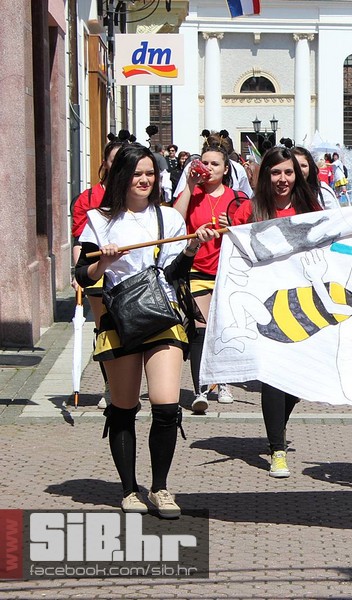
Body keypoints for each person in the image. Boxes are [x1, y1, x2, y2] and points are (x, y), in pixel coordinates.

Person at [74, 144, 218, 518]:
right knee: (123, 407)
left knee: (166, 405)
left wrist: (189, 249)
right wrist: (102, 263)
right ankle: (128, 490)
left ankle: (160, 488)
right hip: (118, 320)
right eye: (137, 173)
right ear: (122, 176)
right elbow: (81, 274)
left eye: (150, 173)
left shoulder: (168, 218)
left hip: (161, 316)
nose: (144, 180)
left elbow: (174, 276)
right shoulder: (98, 219)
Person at [230, 147, 323, 478]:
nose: (282, 179)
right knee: (274, 376)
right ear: (264, 176)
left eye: (288, 172)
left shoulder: (310, 209)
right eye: (275, 173)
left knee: (297, 383)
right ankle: (277, 449)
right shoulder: (249, 211)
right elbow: (235, 257)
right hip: (263, 306)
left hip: (303, 305)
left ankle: (276, 429)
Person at [174, 144, 245, 413]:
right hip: (197, 268)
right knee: (200, 330)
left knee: (224, 329)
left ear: (226, 169)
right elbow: (174, 220)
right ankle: (200, 389)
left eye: (216, 164)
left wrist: (233, 227)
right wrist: (190, 186)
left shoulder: (236, 198)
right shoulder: (191, 194)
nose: (209, 167)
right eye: (205, 162)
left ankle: (223, 381)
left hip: (227, 270)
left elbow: (250, 230)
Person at [71, 139, 127, 409]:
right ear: (104, 163)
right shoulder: (89, 198)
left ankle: (128, 381)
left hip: (128, 275)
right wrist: (78, 274)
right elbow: (79, 242)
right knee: (105, 328)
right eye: (113, 160)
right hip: (97, 272)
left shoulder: (137, 197)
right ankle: (109, 385)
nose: (117, 166)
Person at [292, 146, 340, 210]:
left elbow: (336, 217)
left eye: (303, 166)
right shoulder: (282, 192)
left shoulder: (323, 192)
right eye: (295, 165)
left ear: (310, 167)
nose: (299, 170)